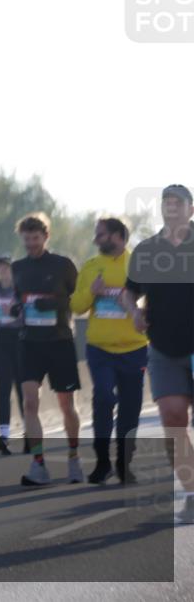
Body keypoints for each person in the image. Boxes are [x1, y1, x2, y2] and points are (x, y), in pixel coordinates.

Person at [122, 184, 194, 523]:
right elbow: (129, 291)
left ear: (190, 210)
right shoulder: (148, 251)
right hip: (164, 347)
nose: (171, 209)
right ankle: (192, 493)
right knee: (172, 418)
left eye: (177, 204)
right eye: (166, 204)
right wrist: (134, 312)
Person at [5, 213, 84, 486]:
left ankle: (74, 458)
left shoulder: (63, 265)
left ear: (46, 237)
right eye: (26, 239)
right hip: (29, 343)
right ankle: (38, 464)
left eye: (35, 238)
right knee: (29, 402)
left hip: (60, 340)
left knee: (66, 404)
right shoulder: (18, 268)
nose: (30, 244)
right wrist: (16, 307)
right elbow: (17, 297)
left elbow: (79, 298)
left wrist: (57, 305)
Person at [70, 218, 148, 484]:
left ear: (117, 236)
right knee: (103, 396)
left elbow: (151, 303)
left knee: (130, 407)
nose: (96, 239)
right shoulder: (92, 267)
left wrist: (135, 304)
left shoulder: (137, 265)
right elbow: (76, 306)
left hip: (134, 349)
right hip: (100, 348)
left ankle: (124, 463)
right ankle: (102, 461)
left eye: (100, 235)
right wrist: (92, 293)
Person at [0, 254, 26, 456]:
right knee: (3, 389)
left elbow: (20, 313)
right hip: (1, 339)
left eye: (6, 267)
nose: (2, 271)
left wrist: (8, 312)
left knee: (22, 388)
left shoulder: (21, 289)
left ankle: (29, 433)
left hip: (19, 339)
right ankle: (3, 435)